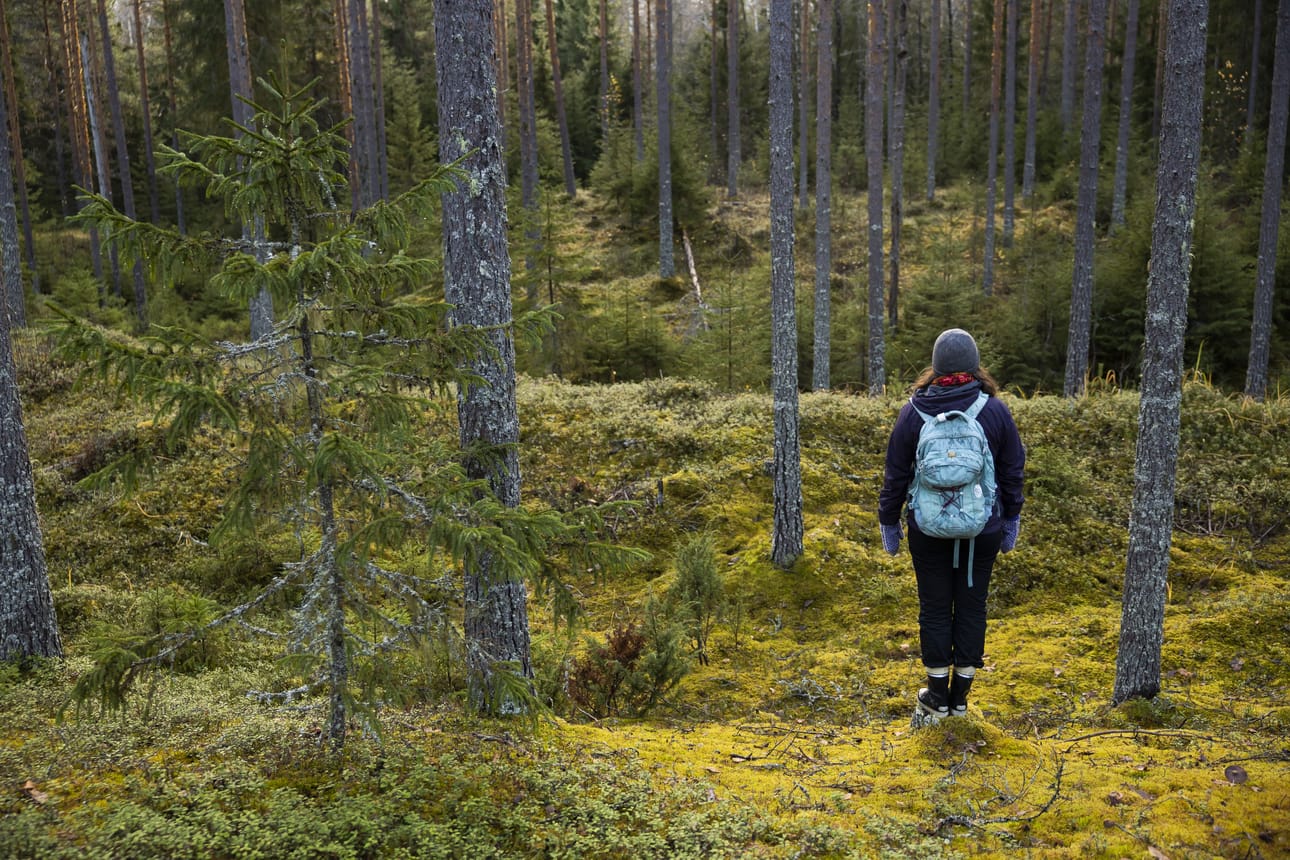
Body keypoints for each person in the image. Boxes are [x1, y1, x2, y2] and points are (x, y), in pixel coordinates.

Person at [877, 328, 1025, 722]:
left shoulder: (913, 411)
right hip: (982, 529)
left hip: (928, 530)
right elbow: (1012, 471)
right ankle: (961, 699)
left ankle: (937, 695)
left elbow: (895, 474)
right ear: (975, 365)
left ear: (936, 365)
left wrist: (889, 522)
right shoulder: (994, 410)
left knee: (936, 608)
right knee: (973, 606)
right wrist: (1011, 517)